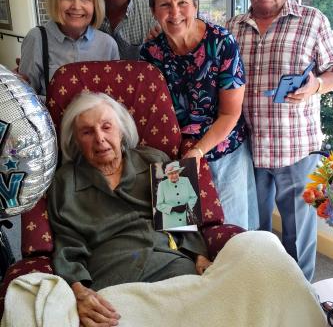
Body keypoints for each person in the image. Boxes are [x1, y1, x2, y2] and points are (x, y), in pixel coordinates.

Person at [226, 0, 333, 281]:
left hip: (296, 150)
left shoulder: (311, 21)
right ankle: (263, 291)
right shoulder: (232, 27)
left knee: (298, 237)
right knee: (255, 232)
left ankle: (301, 297)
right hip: (249, 149)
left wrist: (316, 86)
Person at [47, 92, 211, 326]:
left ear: (122, 129)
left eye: (106, 127)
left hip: (169, 264)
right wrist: (78, 291)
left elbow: (182, 222)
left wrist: (201, 257)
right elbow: (68, 246)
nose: (100, 138)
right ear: (75, 141)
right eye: (87, 132)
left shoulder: (157, 160)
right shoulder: (64, 182)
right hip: (111, 277)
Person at [140, 0, 258, 230]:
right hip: (173, 153)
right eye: (165, 4)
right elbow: (153, 114)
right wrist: (179, 157)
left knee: (230, 233)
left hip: (223, 151)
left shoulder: (221, 43)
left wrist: (198, 151)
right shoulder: (150, 53)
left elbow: (230, 113)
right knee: (179, 235)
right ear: (153, 11)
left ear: (195, 4)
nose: (175, 12)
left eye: (183, 2)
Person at [19, 0, 119, 98]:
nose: (76, 6)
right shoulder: (36, 38)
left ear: (96, 4)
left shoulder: (108, 45)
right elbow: (25, 99)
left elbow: (114, 97)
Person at [156, 161, 198, 229]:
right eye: (171, 173)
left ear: (179, 172)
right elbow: (159, 205)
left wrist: (187, 206)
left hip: (186, 220)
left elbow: (193, 197)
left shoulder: (186, 180)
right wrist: (172, 209)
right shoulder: (162, 185)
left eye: (176, 172)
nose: (174, 175)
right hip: (170, 223)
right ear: (167, 175)